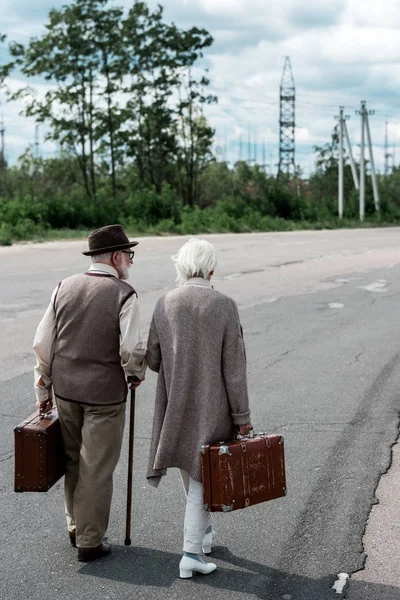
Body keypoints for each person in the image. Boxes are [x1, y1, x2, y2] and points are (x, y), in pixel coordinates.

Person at [33, 224, 146, 562]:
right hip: (105, 397)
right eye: (128, 254)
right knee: (96, 468)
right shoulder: (124, 294)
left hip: (66, 391)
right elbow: (130, 349)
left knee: (73, 462)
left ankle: (75, 526)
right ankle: (90, 541)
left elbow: (43, 343)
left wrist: (43, 389)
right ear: (115, 257)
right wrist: (136, 374)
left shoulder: (63, 287)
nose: (130, 260)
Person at [146, 238, 252, 579]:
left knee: (191, 468)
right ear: (211, 268)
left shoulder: (165, 303)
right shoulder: (224, 305)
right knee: (203, 478)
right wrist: (243, 418)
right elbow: (234, 371)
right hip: (212, 405)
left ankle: (203, 535)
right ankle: (190, 553)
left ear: (181, 266)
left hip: (175, 402)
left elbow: (152, 358)